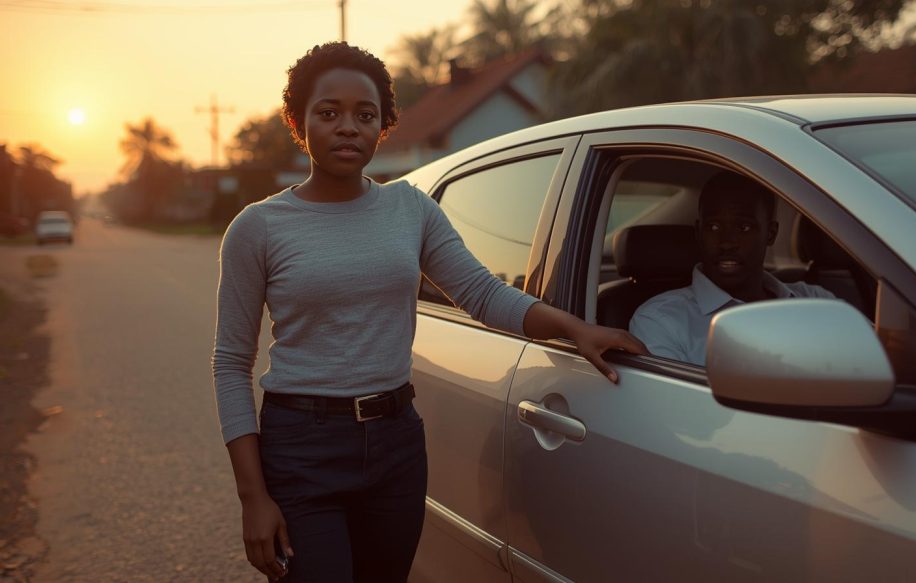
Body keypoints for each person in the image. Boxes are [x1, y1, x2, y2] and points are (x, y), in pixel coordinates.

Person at [212, 41, 646, 583]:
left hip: (396, 445)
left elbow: (484, 295)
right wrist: (253, 496)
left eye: (365, 115)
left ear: (383, 126)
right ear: (299, 122)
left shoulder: (410, 209)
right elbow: (230, 364)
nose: (348, 126)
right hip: (303, 447)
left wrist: (574, 328)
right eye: (329, 113)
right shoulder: (258, 228)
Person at [629, 170, 835, 366]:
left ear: (770, 234)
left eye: (744, 227)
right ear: (699, 233)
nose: (727, 242)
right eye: (714, 227)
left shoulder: (816, 302)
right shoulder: (661, 321)